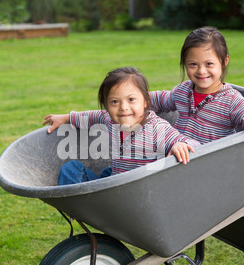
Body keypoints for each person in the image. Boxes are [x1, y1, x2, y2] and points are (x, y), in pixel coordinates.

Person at [43, 67, 200, 185]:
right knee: (71, 168)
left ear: (146, 101)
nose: (123, 107)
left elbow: (192, 144)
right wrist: (66, 117)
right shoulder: (111, 120)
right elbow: (91, 116)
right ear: (106, 106)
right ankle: (83, 205)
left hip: (141, 189)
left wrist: (181, 145)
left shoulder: (156, 127)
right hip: (117, 180)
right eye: (114, 102)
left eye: (131, 100)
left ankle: (95, 203)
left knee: (109, 174)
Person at [150, 26, 244, 144]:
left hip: (212, 160)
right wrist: (137, 98)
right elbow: (159, 100)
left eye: (209, 64)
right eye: (193, 64)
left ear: (224, 61)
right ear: (185, 63)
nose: (201, 71)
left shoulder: (231, 100)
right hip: (178, 156)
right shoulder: (183, 91)